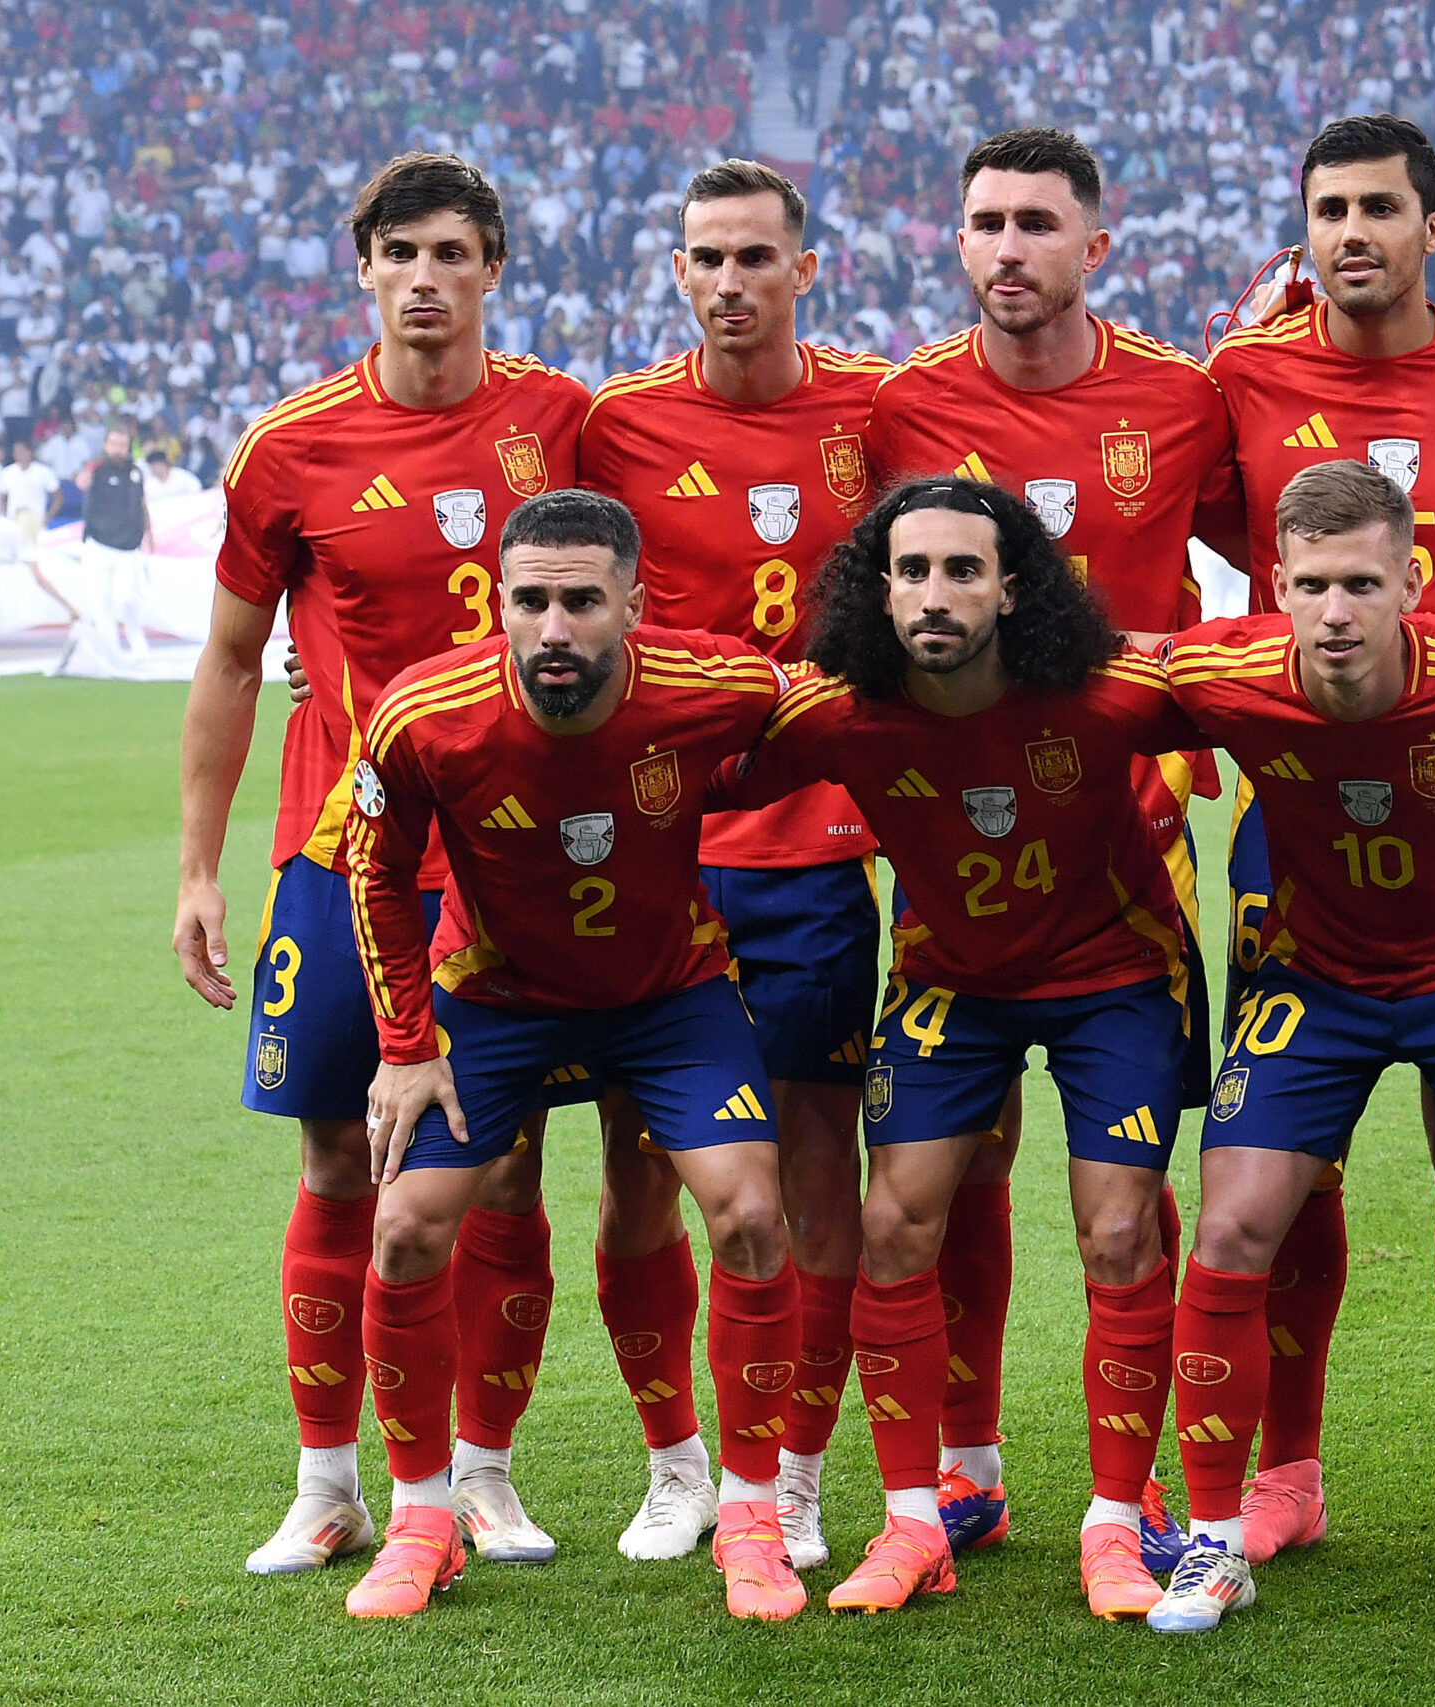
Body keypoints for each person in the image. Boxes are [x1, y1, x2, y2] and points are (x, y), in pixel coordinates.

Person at [172, 152, 591, 1577]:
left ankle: (482, 1471)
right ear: (363, 266)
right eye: (400, 251)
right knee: (339, 1150)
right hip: (340, 854)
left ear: (493, 271)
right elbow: (234, 661)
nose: (426, 276)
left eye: (453, 252)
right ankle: (325, 1479)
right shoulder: (289, 448)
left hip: (509, 861)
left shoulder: (558, 418)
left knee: (505, 1168)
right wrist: (199, 869)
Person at [715, 476, 1203, 1621]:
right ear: (878, 591)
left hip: (1112, 982)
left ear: (1013, 588)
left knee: (1122, 1225)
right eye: (913, 572)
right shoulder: (841, 712)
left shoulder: (1107, 691)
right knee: (893, 1223)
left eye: (963, 571)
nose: (936, 595)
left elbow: (1262, 686)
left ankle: (1117, 1527)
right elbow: (690, 756)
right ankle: (914, 1524)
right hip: (949, 988)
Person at [1204, 110, 1435, 1573]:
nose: (1350, 233)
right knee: (1284, 1175)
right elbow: (1170, 553)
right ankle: (1281, 1468)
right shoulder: (1239, 371)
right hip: (1287, 824)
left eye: (1378, 207)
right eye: (1326, 210)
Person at [861, 127, 1239, 1560]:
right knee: (945, 1179)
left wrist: (1196, 717)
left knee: (1122, 1208)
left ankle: (1126, 1491)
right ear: (957, 243)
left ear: (1098, 243)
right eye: (984, 223)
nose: (1007, 247)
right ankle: (959, 1469)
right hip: (954, 860)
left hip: (1129, 864)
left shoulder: (1180, 398)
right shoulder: (902, 410)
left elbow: (1269, 562)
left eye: (1035, 223)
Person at [1148, 459, 1435, 1641]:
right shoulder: (1225, 674)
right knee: (1235, 1225)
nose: (1334, 612)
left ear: (1410, 581)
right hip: (1317, 987)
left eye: (1360, 583)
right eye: (1309, 585)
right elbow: (1094, 675)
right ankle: (1212, 1540)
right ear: (1274, 587)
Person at [340, 488, 805, 1623]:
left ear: (633, 605)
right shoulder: (424, 714)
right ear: (499, 602)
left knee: (747, 1213)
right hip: (494, 1000)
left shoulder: (718, 683)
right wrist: (405, 1048)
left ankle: (747, 1517)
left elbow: (833, 711)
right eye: (531, 600)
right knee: (404, 1229)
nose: (555, 628)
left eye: (582, 602)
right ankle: (422, 1519)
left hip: (669, 996)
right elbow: (375, 874)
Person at [579, 157, 893, 1571]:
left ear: (803, 270)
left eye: (756, 257)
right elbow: (543, 592)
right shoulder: (617, 425)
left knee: (819, 1163)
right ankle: (675, 1459)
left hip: (818, 847)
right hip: (655, 848)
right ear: (677, 271)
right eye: (706, 256)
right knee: (640, 1167)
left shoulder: (877, 408)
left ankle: (802, 1469)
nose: (729, 281)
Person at [62, 424, 152, 664]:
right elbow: (82, 481)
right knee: (102, 602)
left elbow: (142, 503)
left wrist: (149, 533)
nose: (117, 450)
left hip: (128, 547)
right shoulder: (97, 469)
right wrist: (84, 475)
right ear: (105, 446)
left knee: (128, 599)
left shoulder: (135, 472)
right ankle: (110, 651)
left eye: (122, 445)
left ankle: (138, 645)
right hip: (100, 545)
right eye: (113, 444)